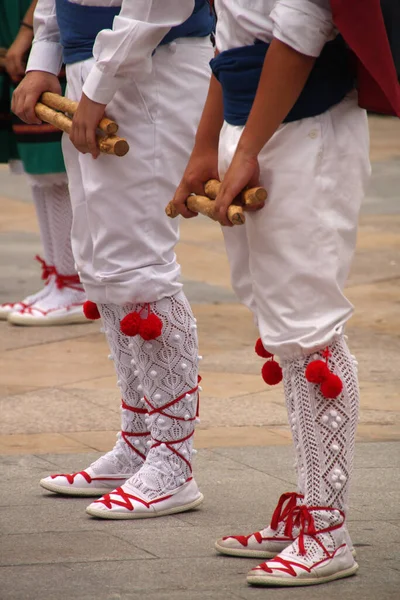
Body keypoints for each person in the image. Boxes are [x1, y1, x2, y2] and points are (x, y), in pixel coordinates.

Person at [172, 0, 372, 587]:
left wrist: (250, 146)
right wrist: (208, 146)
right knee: (283, 326)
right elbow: (228, 40)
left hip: (305, 124)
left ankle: (328, 529)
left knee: (308, 329)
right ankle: (312, 503)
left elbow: (303, 29)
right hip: (251, 121)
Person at [13, 0, 214, 518]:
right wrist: (44, 59)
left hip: (152, 64)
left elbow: (157, 5)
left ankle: (174, 461)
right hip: (94, 69)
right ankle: (140, 439)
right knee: (100, 263)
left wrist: (96, 88)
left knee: (137, 265)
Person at [0, 0, 86, 326]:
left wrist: (28, 29)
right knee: (36, 166)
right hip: (27, 26)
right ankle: (57, 278)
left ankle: (72, 283)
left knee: (53, 162)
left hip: (56, 31)